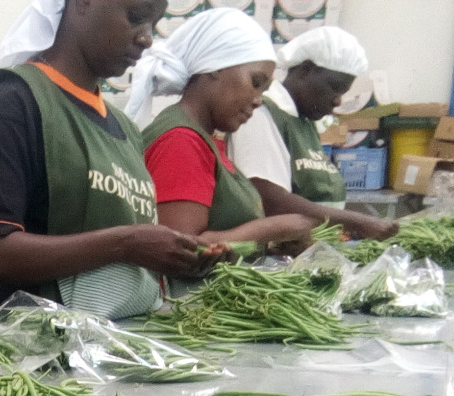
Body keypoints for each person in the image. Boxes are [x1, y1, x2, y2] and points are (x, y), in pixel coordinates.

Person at [0, 0, 213, 320]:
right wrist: (126, 244)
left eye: (153, 24)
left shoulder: (125, 129)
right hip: (39, 342)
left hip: (116, 339)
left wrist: (177, 256)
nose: (147, 38)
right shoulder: (15, 102)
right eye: (135, 17)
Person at [129, 7, 315, 253]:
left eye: (263, 91)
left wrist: (270, 246)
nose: (258, 100)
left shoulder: (204, 139)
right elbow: (181, 250)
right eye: (255, 82)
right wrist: (272, 229)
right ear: (216, 66)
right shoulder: (181, 141)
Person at [228, 26, 399, 241]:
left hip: (311, 249)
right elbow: (267, 197)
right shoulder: (263, 113)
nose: (338, 101)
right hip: (277, 252)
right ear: (306, 69)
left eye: (343, 92)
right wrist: (356, 221)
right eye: (334, 87)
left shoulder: (305, 120)